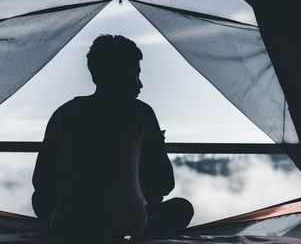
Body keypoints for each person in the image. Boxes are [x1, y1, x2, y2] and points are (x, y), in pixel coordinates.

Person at [32, 34, 193, 243]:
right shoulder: (141, 113)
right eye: (136, 74)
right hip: (126, 228)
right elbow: (164, 184)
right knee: (182, 207)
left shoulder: (65, 113)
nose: (141, 84)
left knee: (39, 199)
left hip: (69, 227)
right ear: (121, 75)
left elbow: (41, 182)